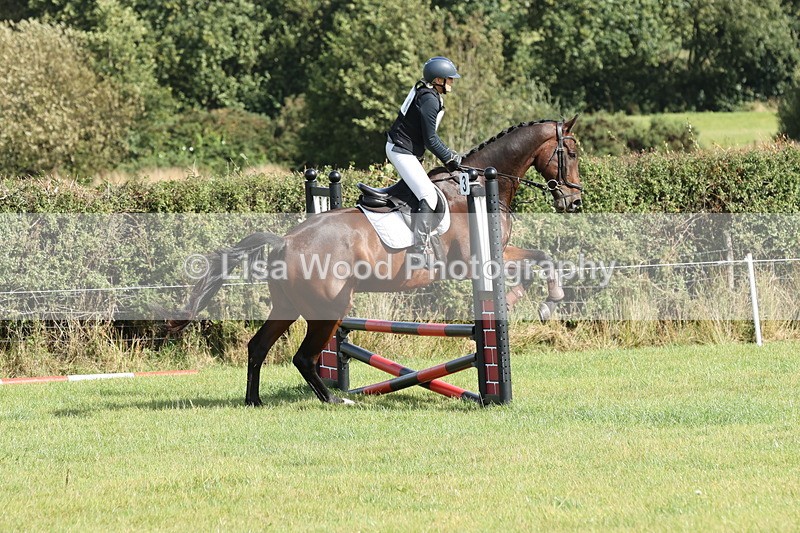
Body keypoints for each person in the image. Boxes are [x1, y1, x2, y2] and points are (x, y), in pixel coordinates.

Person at [386, 56, 462, 262]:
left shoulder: (428, 93)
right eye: (449, 78)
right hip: (401, 150)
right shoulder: (429, 100)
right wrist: (449, 158)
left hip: (405, 148)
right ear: (438, 80)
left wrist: (450, 155)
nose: (451, 82)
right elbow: (430, 140)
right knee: (428, 195)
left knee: (421, 191)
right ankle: (420, 250)